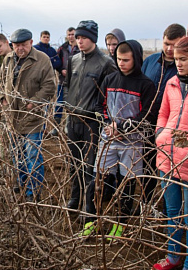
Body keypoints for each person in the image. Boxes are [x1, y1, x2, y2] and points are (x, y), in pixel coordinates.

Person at [81, 40, 156, 239]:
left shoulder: (146, 85)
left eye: (126, 60)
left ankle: (120, 223)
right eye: (119, 59)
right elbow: (99, 106)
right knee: (97, 180)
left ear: (137, 59)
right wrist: (108, 124)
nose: (121, 63)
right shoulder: (110, 79)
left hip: (132, 143)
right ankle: (91, 220)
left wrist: (121, 127)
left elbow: (146, 116)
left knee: (127, 184)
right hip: (108, 139)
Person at [63, 20, 117, 210]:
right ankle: (74, 197)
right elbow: (67, 84)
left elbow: (110, 94)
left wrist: (99, 114)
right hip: (73, 119)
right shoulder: (74, 60)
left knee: (90, 166)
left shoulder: (106, 63)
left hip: (92, 123)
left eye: (84, 37)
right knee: (74, 162)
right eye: (77, 37)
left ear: (93, 39)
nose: (79, 41)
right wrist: (68, 106)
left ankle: (89, 205)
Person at [0, 29, 56, 201]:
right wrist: (2, 98)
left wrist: (33, 103)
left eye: (24, 45)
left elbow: (49, 87)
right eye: (16, 45)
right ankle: (21, 182)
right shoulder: (8, 60)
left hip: (33, 118)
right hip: (12, 117)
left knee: (32, 155)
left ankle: (33, 191)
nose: (20, 49)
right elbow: (1, 81)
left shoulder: (42, 60)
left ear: (31, 42)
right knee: (17, 153)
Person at [152, 36, 188, 270]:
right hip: (167, 157)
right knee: (173, 212)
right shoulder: (172, 83)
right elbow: (163, 113)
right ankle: (173, 258)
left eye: (184, 59)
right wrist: (160, 134)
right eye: (176, 60)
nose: (179, 64)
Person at [141, 23, 186, 203]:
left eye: (174, 45)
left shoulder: (182, 67)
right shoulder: (150, 62)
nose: (169, 49)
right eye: (166, 43)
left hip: (176, 132)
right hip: (149, 125)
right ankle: (148, 203)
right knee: (148, 168)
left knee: (177, 173)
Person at [49, 27, 80, 136]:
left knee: (71, 105)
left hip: (75, 82)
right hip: (62, 81)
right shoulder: (62, 48)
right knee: (59, 104)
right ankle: (55, 128)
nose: (71, 36)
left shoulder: (80, 48)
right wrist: (61, 70)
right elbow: (57, 62)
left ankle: (67, 128)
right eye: (69, 34)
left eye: (73, 34)